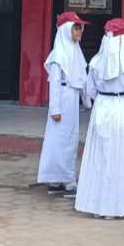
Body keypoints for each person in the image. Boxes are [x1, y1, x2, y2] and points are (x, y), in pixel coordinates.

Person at [74, 18, 124, 219]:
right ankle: (115, 207)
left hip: (102, 107)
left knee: (100, 156)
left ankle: (97, 205)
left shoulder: (96, 62)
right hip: (122, 108)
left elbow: (89, 91)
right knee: (120, 156)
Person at [37, 12, 89, 197]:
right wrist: (55, 109)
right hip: (63, 99)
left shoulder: (76, 51)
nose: (79, 32)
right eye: (75, 28)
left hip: (73, 97)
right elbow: (55, 83)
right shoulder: (58, 54)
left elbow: (82, 78)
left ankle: (59, 180)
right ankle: (66, 180)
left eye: (79, 28)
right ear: (66, 30)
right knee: (61, 139)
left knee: (70, 137)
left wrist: (87, 100)